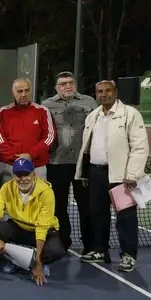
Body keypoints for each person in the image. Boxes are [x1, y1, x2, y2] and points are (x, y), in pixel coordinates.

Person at [75, 79, 149, 272]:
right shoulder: (93, 116)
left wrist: (132, 174)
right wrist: (85, 173)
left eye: (108, 90)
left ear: (116, 92)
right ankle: (101, 250)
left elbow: (140, 146)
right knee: (98, 215)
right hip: (96, 173)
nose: (104, 94)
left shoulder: (130, 114)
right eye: (100, 91)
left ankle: (128, 255)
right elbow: (87, 147)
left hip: (121, 176)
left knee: (125, 217)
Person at [0, 158, 65, 285]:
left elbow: (42, 227)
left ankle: (40, 262)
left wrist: (38, 263)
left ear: (34, 174)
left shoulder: (46, 192)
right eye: (19, 175)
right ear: (14, 176)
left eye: (26, 175)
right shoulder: (7, 188)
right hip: (19, 227)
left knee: (57, 250)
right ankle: (16, 260)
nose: (23, 179)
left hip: (44, 231)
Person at [42, 71, 97, 253]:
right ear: (56, 87)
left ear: (75, 85)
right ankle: (63, 242)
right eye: (63, 84)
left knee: (86, 206)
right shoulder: (46, 105)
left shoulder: (89, 102)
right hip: (57, 163)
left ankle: (90, 245)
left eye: (70, 83)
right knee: (59, 206)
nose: (67, 86)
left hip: (84, 163)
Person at [0, 77, 56, 189]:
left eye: (26, 90)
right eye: (19, 91)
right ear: (13, 92)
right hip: (9, 166)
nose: (23, 94)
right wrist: (16, 158)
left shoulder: (42, 111)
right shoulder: (3, 112)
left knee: (38, 199)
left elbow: (49, 137)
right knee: (7, 200)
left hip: (36, 167)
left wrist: (30, 155)